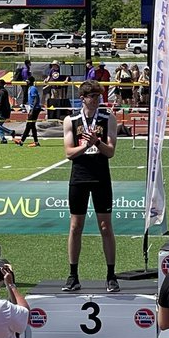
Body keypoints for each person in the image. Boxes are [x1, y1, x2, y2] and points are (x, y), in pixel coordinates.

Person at [61, 80, 120, 293]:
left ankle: (111, 275)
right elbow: (68, 153)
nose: (95, 101)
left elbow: (111, 151)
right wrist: (85, 145)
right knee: (76, 227)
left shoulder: (108, 118)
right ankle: (73, 275)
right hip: (79, 176)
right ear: (83, 98)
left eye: (98, 97)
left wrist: (97, 142)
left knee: (105, 227)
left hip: (101, 176)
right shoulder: (71, 120)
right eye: (91, 97)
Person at [14, 75, 41, 147]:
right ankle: (35, 142)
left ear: (30, 81)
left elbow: (36, 99)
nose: (26, 82)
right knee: (31, 125)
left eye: (27, 81)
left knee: (29, 125)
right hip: (32, 108)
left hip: (35, 109)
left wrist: (32, 110)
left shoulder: (33, 89)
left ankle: (22, 141)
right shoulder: (29, 88)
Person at [0, 79, 16, 143]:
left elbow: (0, 103)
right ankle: (3, 139)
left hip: (2, 112)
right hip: (5, 111)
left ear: (3, 84)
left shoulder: (1, 92)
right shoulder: (4, 91)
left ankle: (10, 132)